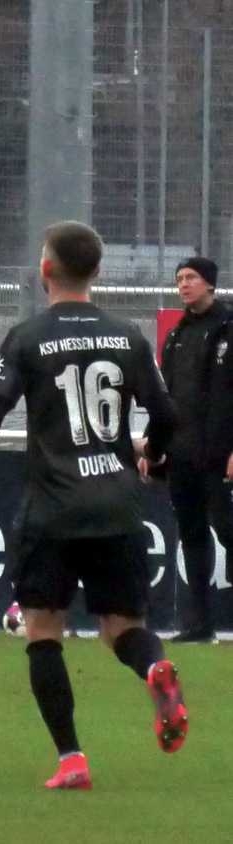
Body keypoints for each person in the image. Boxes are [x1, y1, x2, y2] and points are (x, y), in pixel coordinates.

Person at [0, 220, 184, 790]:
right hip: (117, 507)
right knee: (122, 629)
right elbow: (166, 414)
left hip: (54, 509)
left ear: (45, 270)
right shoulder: (127, 336)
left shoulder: (28, 336)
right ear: (98, 272)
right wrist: (152, 454)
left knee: (42, 629)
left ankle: (71, 759)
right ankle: (155, 668)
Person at [153, 257, 231, 642]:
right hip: (182, 455)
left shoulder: (227, 328)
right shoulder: (176, 336)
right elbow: (165, 397)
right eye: (180, 278)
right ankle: (198, 624)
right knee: (192, 536)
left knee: (228, 530)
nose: (184, 284)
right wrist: (156, 446)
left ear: (210, 284)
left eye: (191, 278)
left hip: (219, 455)